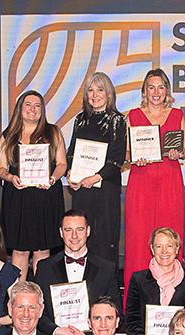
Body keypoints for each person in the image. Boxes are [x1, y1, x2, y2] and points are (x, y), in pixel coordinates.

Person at [123, 69, 185, 299]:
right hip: (141, 181)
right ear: (144, 91)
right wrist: (134, 158)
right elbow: (128, 152)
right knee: (139, 239)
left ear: (167, 90)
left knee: (169, 238)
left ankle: (171, 297)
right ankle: (137, 300)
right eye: (151, 87)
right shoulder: (133, 115)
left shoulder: (177, 115)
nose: (156, 92)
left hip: (169, 182)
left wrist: (177, 152)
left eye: (160, 87)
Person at [0, 90, 67, 279]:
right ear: (20, 108)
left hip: (46, 196)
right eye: (28, 104)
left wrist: (52, 178)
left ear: (42, 110)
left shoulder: (53, 132)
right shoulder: (8, 135)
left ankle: (39, 295)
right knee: (19, 251)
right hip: (18, 198)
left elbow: (62, 164)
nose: (32, 109)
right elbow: (1, 169)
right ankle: (18, 295)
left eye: (37, 105)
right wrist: (11, 178)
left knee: (42, 251)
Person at [33, 209, 122, 335]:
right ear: (61, 232)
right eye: (68, 230)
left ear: (88, 231)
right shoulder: (44, 268)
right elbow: (36, 309)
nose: (74, 236)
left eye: (79, 229)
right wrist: (56, 331)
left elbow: (115, 312)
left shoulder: (106, 268)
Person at [66, 72, 127, 265]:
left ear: (108, 94)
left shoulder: (117, 120)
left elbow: (117, 157)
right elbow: (71, 152)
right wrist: (70, 174)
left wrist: (95, 178)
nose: (95, 94)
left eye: (100, 89)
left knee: (104, 239)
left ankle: (105, 292)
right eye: (90, 90)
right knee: (81, 239)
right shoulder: (80, 119)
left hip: (106, 189)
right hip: (82, 190)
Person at [125, 227, 185, 335]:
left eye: (169, 246)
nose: (164, 251)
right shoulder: (139, 280)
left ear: (177, 248)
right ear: (152, 249)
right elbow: (132, 321)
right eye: (159, 246)